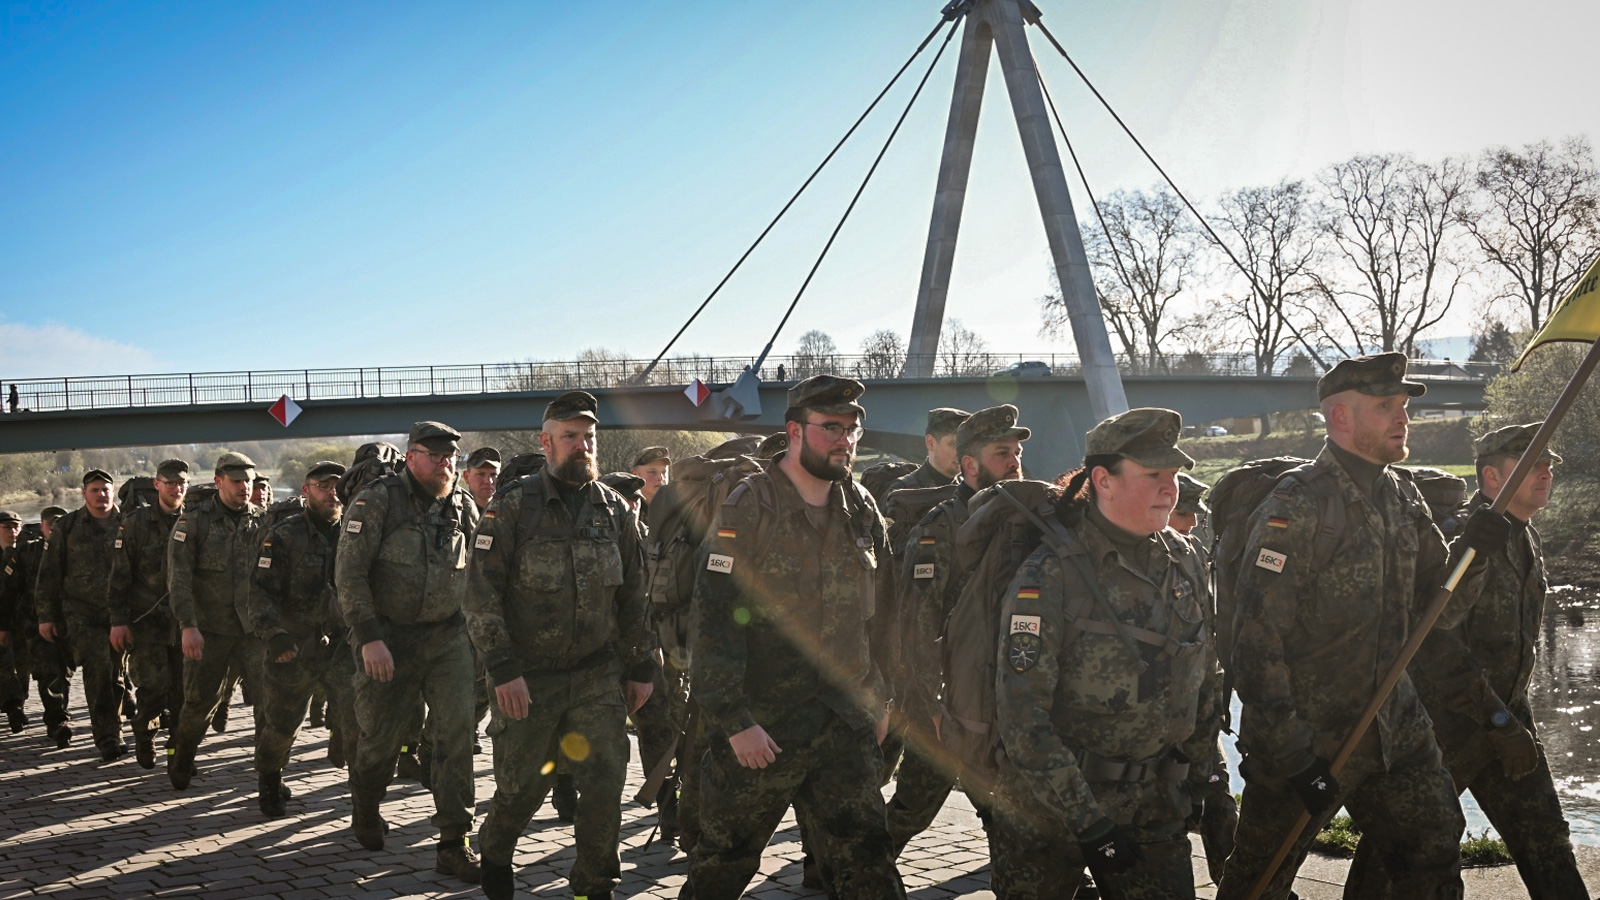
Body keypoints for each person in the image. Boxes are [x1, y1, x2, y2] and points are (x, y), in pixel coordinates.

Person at [1217, 353, 1509, 900]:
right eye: (1385, 406)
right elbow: (1255, 641)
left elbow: (1437, 614)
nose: (1403, 417)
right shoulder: (1295, 505)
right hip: (1307, 737)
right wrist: (1292, 753)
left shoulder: (1402, 497)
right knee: (1258, 882)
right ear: (1340, 418)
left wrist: (1476, 555)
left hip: (1396, 728)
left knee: (1434, 854)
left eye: (1403, 406)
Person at [1346, 422, 1589, 899]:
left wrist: (1510, 719)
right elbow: (1432, 641)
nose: (1545, 474)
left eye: (1548, 465)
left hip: (1508, 721)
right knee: (1401, 854)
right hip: (1446, 728)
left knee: (1547, 843)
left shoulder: (1524, 535)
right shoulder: (1465, 540)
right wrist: (1497, 720)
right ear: (1492, 479)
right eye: (1532, 464)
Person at [684, 374, 904, 900]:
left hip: (844, 722)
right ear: (796, 431)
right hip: (764, 729)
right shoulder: (749, 506)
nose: (845, 439)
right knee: (723, 865)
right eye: (831, 427)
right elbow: (713, 619)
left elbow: (887, 614)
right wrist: (736, 721)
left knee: (869, 861)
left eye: (853, 428)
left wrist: (882, 698)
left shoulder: (860, 506)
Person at [991, 408, 1220, 899]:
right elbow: (1022, 719)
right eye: (1153, 474)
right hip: (1052, 810)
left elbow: (1205, 675)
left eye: (1174, 475)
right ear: (1103, 480)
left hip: (1156, 804)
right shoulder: (1049, 575)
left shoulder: (1186, 560)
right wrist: (1088, 822)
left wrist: (1203, 778)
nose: (1169, 488)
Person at [466, 391, 659, 900]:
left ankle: (594, 884)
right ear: (546, 443)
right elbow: (481, 596)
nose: (582, 446)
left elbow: (636, 595)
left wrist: (643, 664)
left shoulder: (615, 510)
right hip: (528, 676)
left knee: (603, 785)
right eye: (570, 437)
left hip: (597, 676)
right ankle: (496, 846)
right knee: (522, 787)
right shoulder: (512, 507)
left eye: (588, 437)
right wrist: (502, 668)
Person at [335, 421, 481, 883]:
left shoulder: (463, 505)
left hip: (447, 639)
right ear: (411, 456)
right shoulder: (377, 500)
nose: (445, 465)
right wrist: (369, 637)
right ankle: (366, 806)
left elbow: (481, 570)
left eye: (450, 457)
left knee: (456, 737)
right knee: (378, 740)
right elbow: (350, 575)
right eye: (434, 456)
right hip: (389, 639)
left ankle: (455, 842)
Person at [890, 404, 1028, 856]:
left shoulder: (1025, 523)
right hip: (948, 705)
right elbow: (918, 622)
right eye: (1001, 453)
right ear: (970, 465)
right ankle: (855, 873)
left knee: (1010, 811)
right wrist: (931, 704)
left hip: (999, 697)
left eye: (1017, 452)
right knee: (914, 804)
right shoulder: (941, 528)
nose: (1014, 462)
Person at [249, 461, 358, 818]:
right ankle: (269, 780)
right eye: (323, 486)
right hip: (294, 646)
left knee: (359, 719)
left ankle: (364, 801)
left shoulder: (355, 532)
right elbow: (261, 592)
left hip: (342, 645)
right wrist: (275, 635)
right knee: (281, 724)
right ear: (305, 490)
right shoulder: (284, 535)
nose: (332, 492)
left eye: (336, 486)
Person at [166, 452, 267, 788]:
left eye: (248, 481)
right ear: (218, 481)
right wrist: (188, 626)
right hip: (210, 630)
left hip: (254, 630)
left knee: (269, 702)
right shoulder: (193, 523)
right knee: (199, 702)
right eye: (236, 481)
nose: (244, 487)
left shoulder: (263, 521)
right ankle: (183, 758)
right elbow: (179, 580)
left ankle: (269, 774)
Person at [1167, 471, 1238, 885]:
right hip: (1155, 726)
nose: (1192, 521)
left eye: (1197, 511)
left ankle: (1241, 888)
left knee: (1219, 801)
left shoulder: (1192, 554)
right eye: (1183, 511)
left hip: (1201, 716)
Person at [37, 469, 126, 760]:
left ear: (114, 491)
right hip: (80, 611)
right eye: (95, 490)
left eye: (106, 489)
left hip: (121, 612)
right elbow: (50, 572)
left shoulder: (130, 523)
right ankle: (107, 736)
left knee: (117, 673)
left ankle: (116, 723)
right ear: (84, 493)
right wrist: (46, 616)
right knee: (98, 666)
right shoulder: (67, 526)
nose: (102, 494)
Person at [107, 458, 190, 768]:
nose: (176, 488)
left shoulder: (194, 521)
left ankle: (179, 752)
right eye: (170, 483)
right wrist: (118, 622)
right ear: (157, 485)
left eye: (181, 483)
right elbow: (119, 578)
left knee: (184, 692)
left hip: (185, 623)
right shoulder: (135, 524)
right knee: (152, 690)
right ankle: (145, 735)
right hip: (147, 624)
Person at [2, 507, 72, 742]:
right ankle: (56, 720)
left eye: (58, 524)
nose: (54, 528)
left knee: (64, 672)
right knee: (47, 671)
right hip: (34, 622)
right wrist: (4, 625)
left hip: (71, 622)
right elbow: (10, 591)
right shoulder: (28, 553)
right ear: (41, 526)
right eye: (49, 524)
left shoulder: (76, 549)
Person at [881, 408, 968, 500]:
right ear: (931, 443)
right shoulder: (903, 493)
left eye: (965, 444)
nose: (962, 452)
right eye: (953, 444)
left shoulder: (967, 491)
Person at [0, 511, 26, 730]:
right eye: (7, 527)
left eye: (16, 526)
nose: (13, 531)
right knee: (5, 664)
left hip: (24, 618)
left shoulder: (27, 553)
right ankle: (13, 707)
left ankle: (18, 703)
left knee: (23, 664)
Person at [462, 447, 501, 512]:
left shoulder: (509, 511)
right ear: (466, 477)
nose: (488, 481)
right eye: (481, 474)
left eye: (493, 474)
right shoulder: (457, 511)